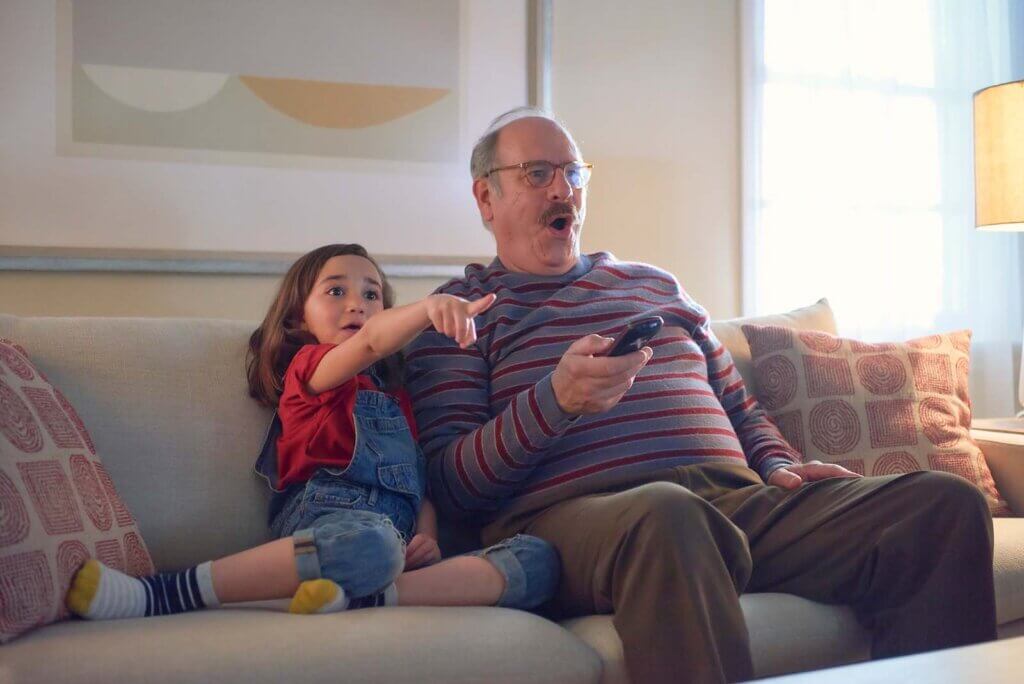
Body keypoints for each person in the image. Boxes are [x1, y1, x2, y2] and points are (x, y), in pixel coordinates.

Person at [404, 108, 998, 683]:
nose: (564, 189)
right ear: (486, 198)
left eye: (574, 172)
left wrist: (781, 465)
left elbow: (740, 405)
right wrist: (554, 401)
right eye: (538, 173)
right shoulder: (461, 314)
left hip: (732, 505)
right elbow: (456, 487)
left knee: (942, 507)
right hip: (577, 524)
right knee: (667, 513)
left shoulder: (654, 284)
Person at [66, 243, 559, 620]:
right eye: (336, 290)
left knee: (536, 562)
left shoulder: (396, 396)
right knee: (371, 544)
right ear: (296, 317)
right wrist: (428, 310)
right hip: (330, 528)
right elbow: (369, 343)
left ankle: (369, 598)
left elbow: (418, 479)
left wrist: (426, 536)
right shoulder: (312, 370)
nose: (358, 305)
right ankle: (166, 592)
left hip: (398, 549)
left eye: (372, 295)